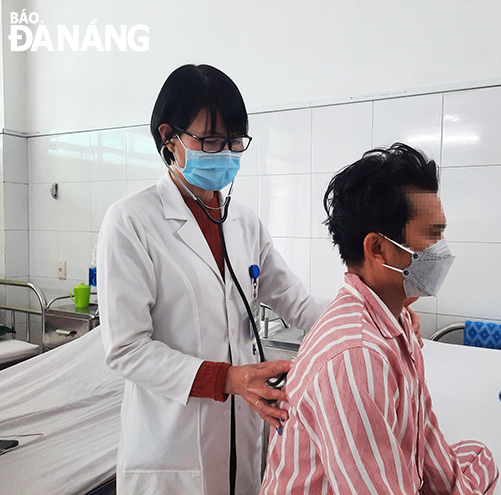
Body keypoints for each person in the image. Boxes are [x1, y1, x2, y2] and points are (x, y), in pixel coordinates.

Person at [98, 64, 329, 495]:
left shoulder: (244, 223)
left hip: (239, 439)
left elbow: (295, 301)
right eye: (210, 141)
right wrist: (227, 378)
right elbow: (125, 349)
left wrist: (364, 317)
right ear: (170, 138)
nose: (225, 153)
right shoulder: (131, 221)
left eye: (234, 141)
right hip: (170, 447)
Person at [260, 143, 499, 494]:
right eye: (432, 235)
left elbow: (423, 431)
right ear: (377, 248)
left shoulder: (394, 318)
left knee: (479, 458)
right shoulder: (355, 356)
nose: (441, 249)